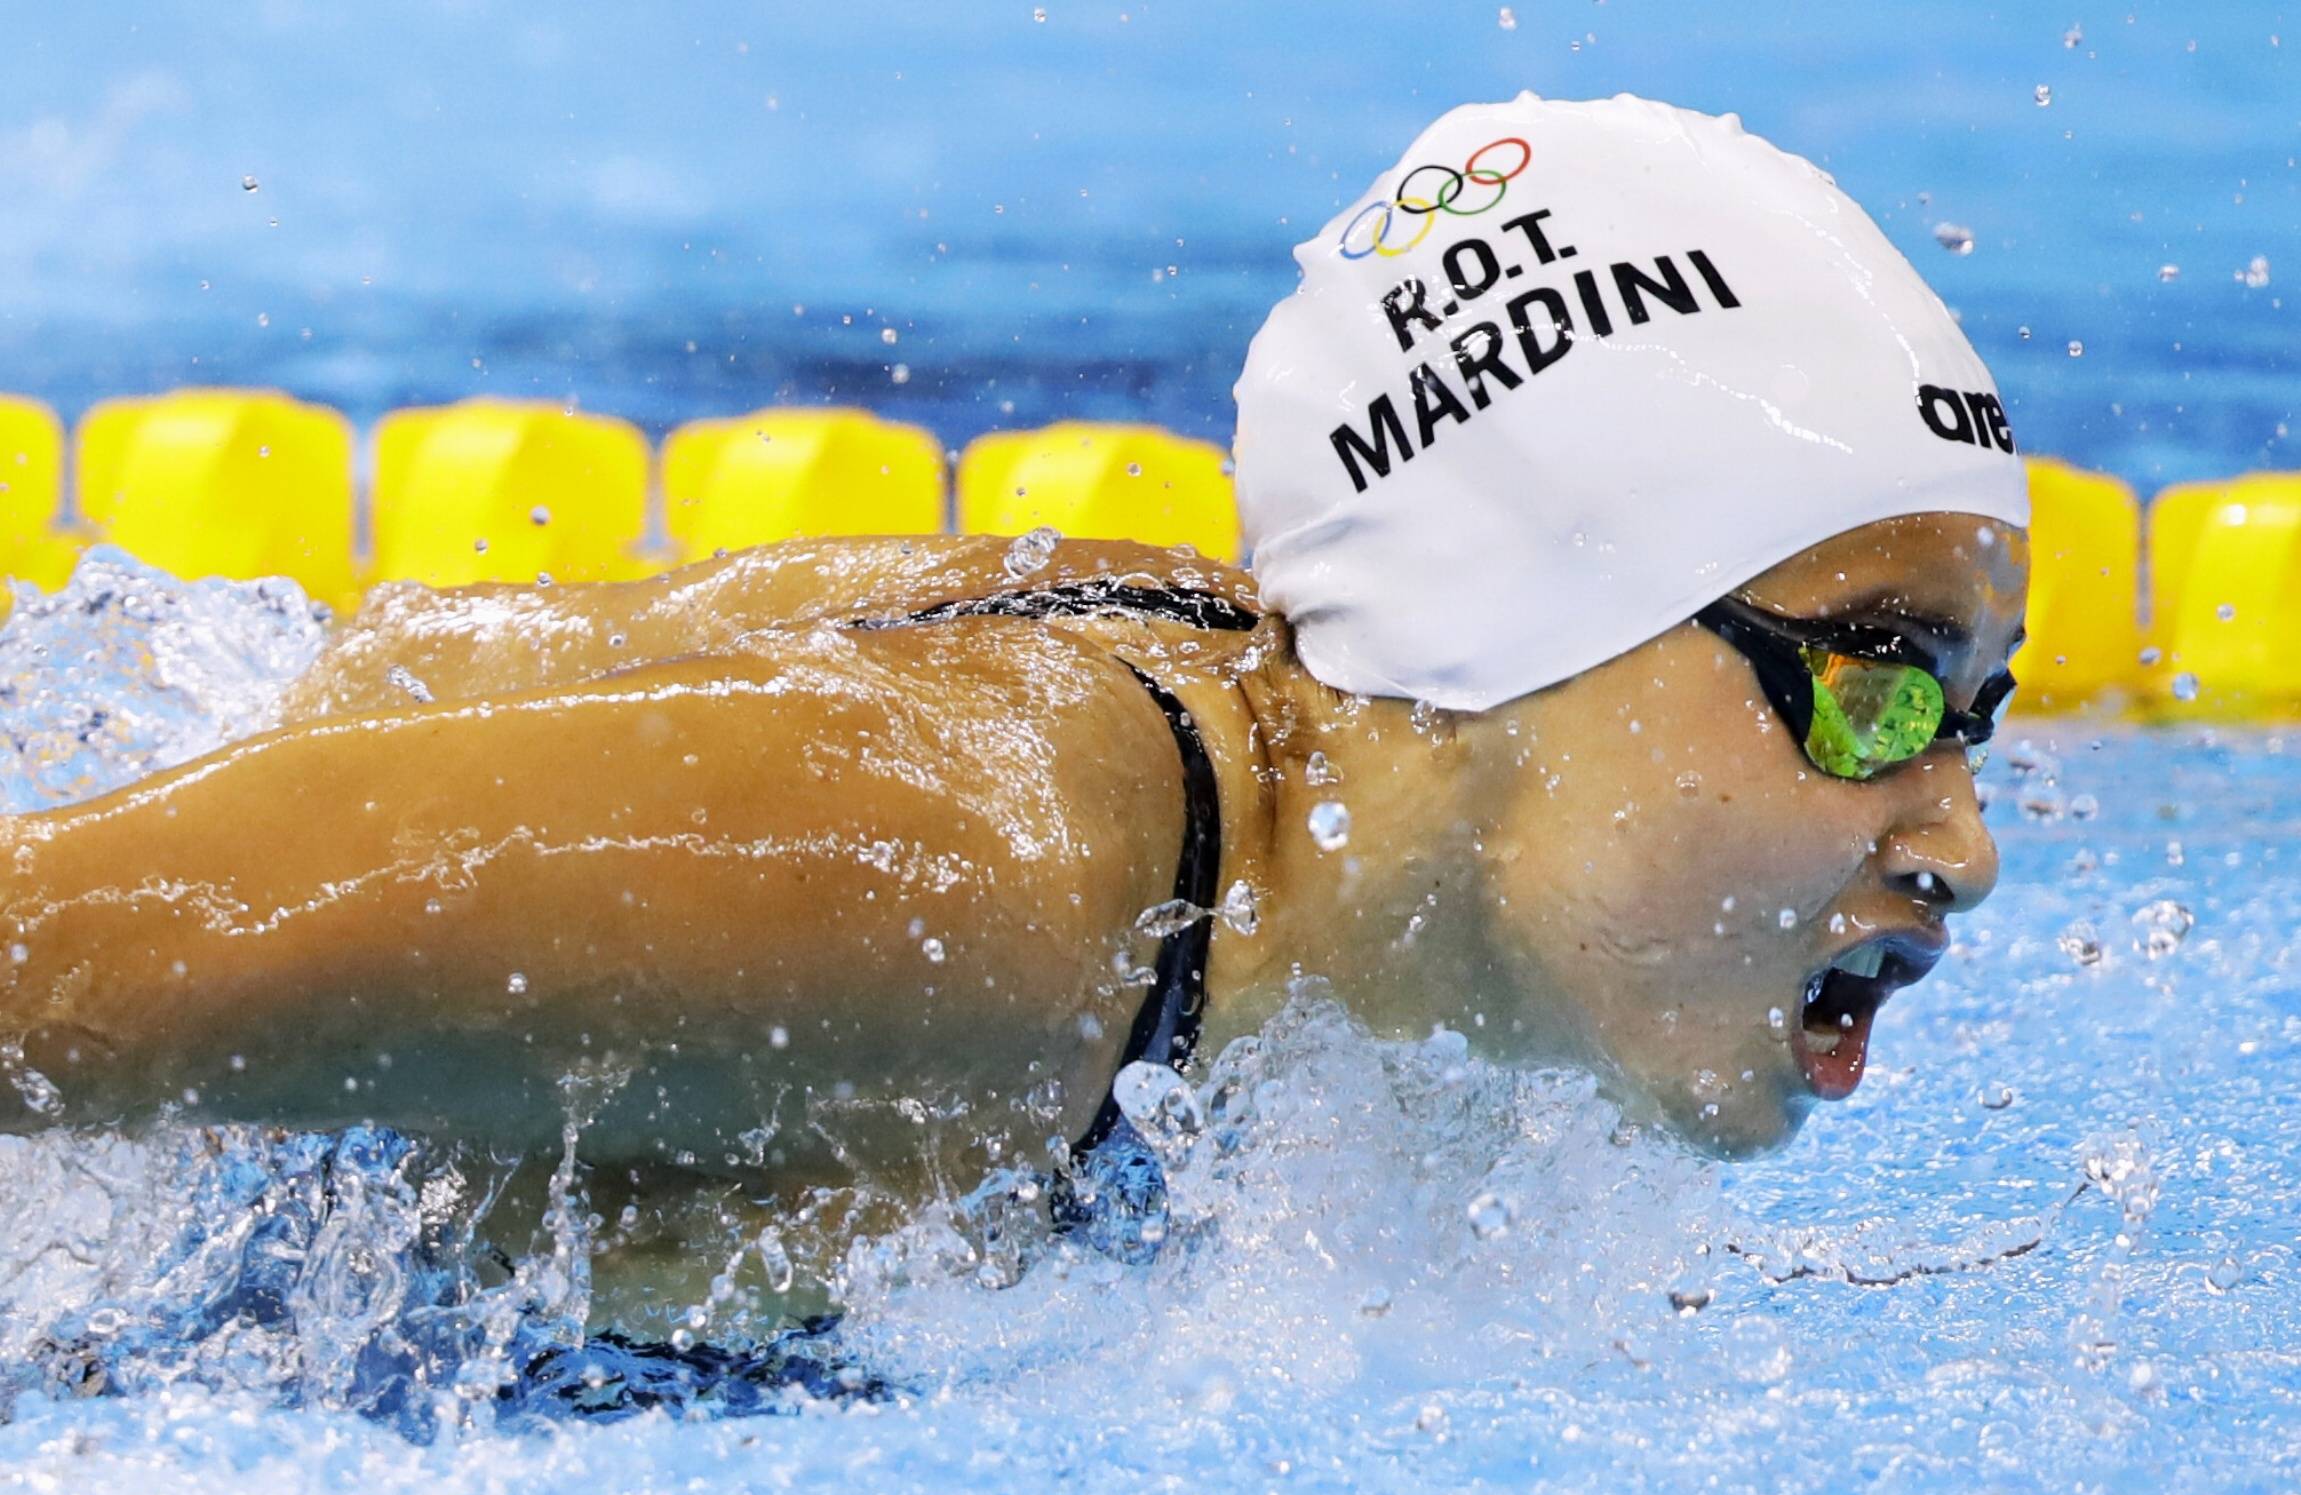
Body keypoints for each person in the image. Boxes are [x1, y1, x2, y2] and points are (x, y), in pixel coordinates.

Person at [0, 95, 2027, 1236]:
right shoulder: (943, 877)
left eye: (1975, 712)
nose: (1959, 837)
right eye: (1873, 682)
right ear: (1517, 629)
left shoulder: (1362, 883)